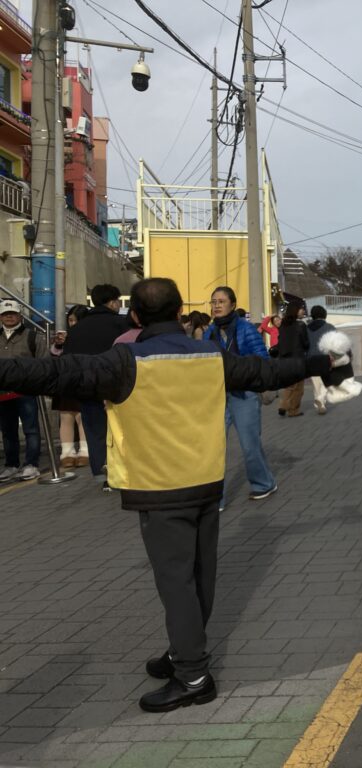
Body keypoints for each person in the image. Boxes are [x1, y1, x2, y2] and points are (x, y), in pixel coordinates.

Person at [0, 277, 332, 714]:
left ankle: (193, 676)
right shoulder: (210, 355)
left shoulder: (124, 361)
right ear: (179, 312)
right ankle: (183, 650)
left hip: (160, 489)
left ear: (135, 317)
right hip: (206, 481)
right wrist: (320, 362)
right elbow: (265, 371)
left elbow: (49, 373)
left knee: (176, 584)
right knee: (199, 575)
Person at [204, 286, 277, 508]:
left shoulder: (246, 329)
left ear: (233, 305)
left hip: (244, 394)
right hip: (218, 395)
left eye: (221, 301)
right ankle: (215, 497)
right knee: (213, 447)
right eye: (213, 302)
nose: (216, 305)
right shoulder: (209, 332)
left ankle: (263, 483)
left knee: (249, 444)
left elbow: (262, 359)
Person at [63, 283, 130, 487]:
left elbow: (68, 359)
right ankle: (122, 473)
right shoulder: (120, 324)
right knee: (120, 431)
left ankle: (102, 474)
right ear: (112, 302)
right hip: (117, 389)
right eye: (117, 301)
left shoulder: (77, 329)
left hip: (87, 388)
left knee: (94, 432)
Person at [0, 299, 46, 482]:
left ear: (20, 315)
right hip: (3, 392)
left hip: (26, 391)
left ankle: (31, 464)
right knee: (7, 430)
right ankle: (11, 465)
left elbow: (44, 362)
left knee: (31, 429)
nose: (9, 317)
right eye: (5, 314)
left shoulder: (33, 336)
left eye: (12, 313)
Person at [51, 304, 90, 469]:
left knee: (82, 416)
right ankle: (67, 452)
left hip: (83, 380)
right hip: (65, 381)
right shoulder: (64, 338)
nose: (73, 324)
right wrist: (58, 345)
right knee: (66, 416)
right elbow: (54, 356)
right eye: (71, 320)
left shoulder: (89, 336)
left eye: (76, 320)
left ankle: (85, 450)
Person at [275, 303, 309, 417]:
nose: (303, 311)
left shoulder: (283, 325)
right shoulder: (301, 325)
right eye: (301, 309)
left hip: (284, 359)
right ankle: (293, 410)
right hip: (297, 358)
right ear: (295, 310)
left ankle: (283, 405)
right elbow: (306, 343)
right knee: (299, 387)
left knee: (290, 385)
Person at [306, 305, 336, 415]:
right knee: (326, 381)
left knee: (316, 382)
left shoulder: (306, 328)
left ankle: (319, 402)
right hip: (324, 357)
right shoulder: (329, 327)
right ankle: (320, 400)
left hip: (311, 358)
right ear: (324, 314)